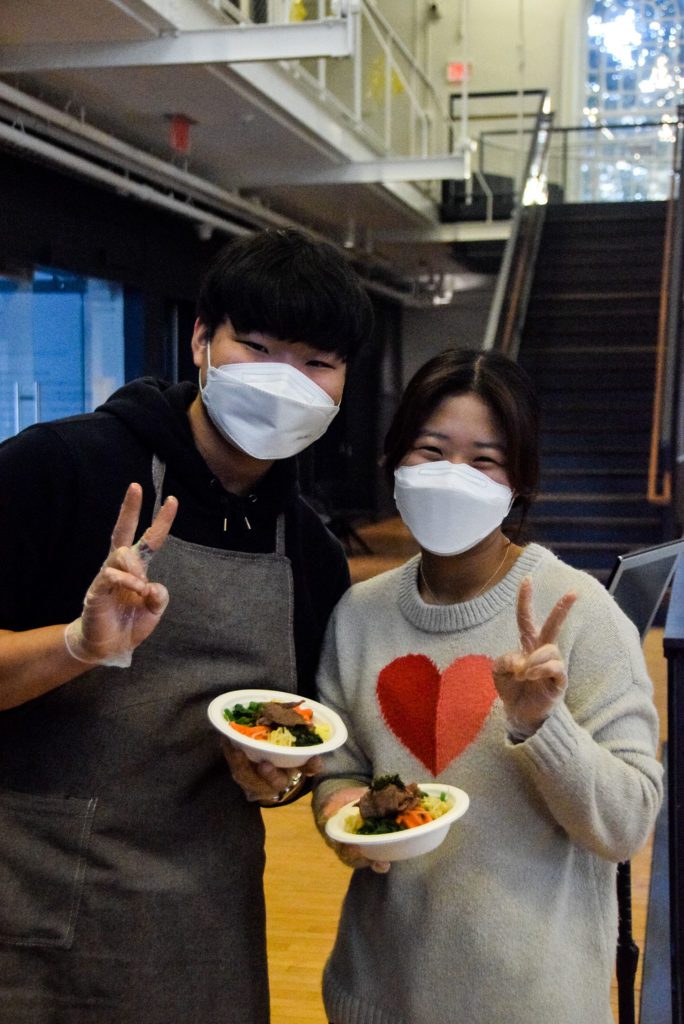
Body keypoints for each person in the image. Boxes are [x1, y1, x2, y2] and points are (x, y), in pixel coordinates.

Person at [0, 228, 373, 1024]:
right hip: (28, 925)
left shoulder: (312, 554)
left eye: (317, 362)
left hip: (205, 934)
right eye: (260, 346)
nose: (285, 381)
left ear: (343, 385)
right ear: (202, 339)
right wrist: (75, 646)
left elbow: (288, 751)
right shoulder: (62, 469)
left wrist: (275, 777)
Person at [313, 348, 664, 1024]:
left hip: (534, 1004)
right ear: (394, 460)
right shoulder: (360, 614)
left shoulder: (579, 613)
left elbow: (626, 826)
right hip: (377, 995)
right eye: (431, 449)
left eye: (483, 460)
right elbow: (340, 767)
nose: (452, 476)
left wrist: (543, 725)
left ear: (519, 480)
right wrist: (343, 812)